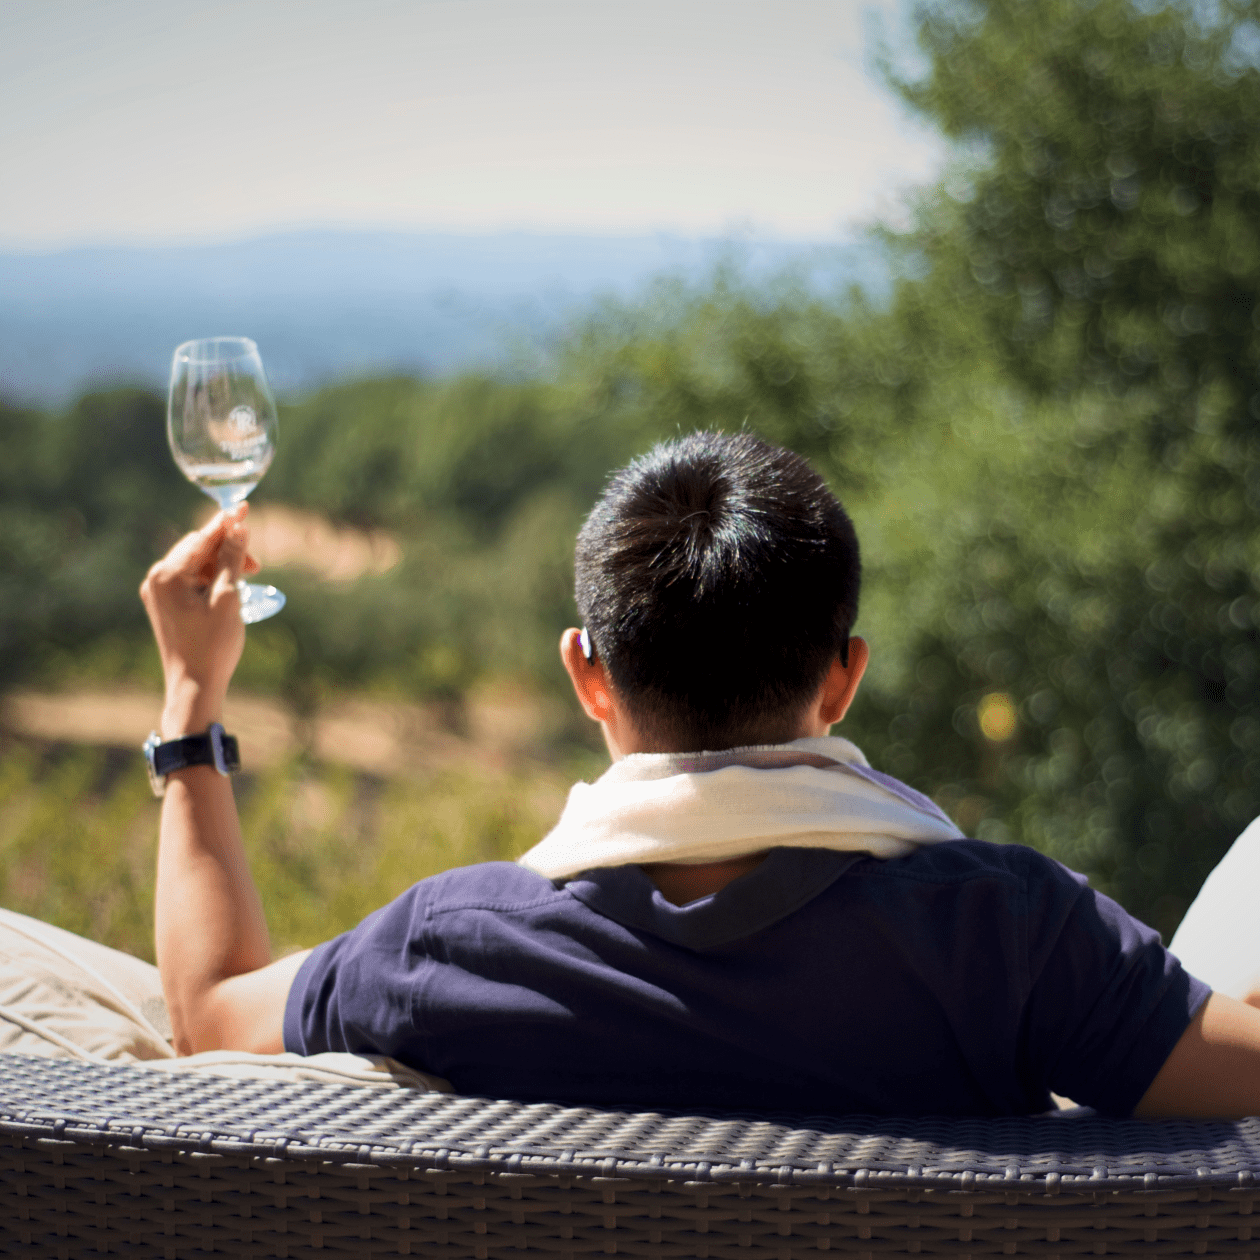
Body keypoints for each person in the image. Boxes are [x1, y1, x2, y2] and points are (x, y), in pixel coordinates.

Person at [134, 430, 1260, 1117]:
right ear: (845, 678)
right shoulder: (1010, 935)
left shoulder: (452, 944)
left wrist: (193, 700)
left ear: (588, 676)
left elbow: (204, 1014)